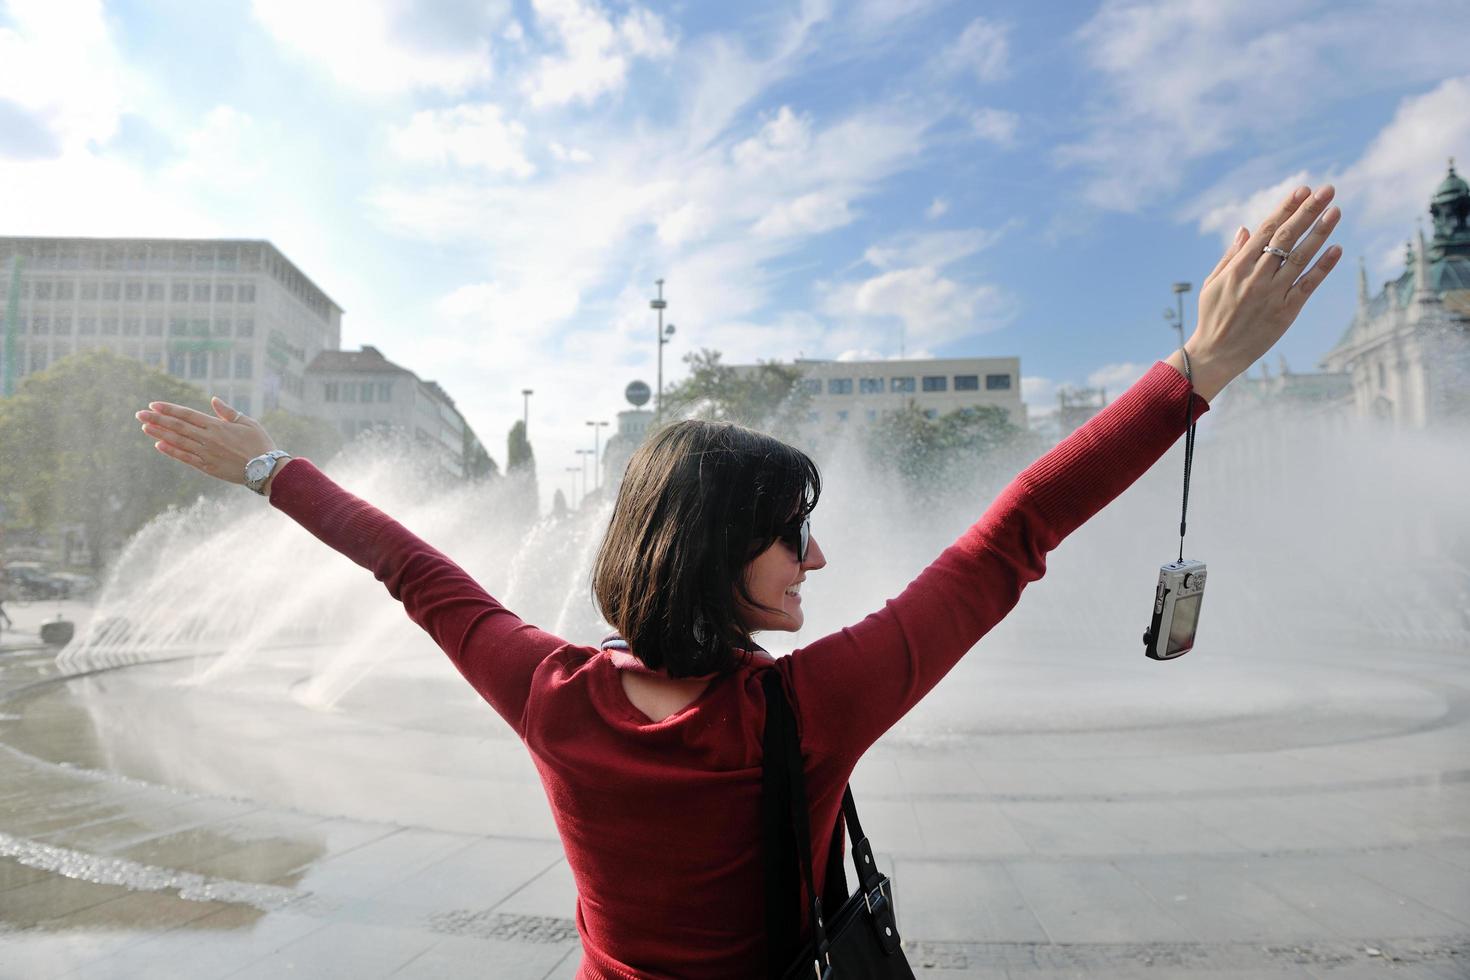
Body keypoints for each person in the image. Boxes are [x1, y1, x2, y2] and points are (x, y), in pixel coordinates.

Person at [137, 186, 1341, 979]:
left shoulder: (551, 691)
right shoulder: (805, 710)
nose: (816, 557)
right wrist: (1197, 368)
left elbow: (408, 566)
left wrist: (268, 467)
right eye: (790, 535)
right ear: (715, 553)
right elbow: (1011, 535)